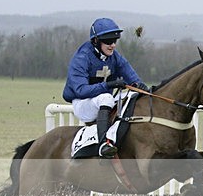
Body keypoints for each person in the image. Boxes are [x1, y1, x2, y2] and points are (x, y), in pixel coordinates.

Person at [63, 18, 147, 158]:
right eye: (108, 41)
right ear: (96, 41)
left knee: (133, 96)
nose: (113, 45)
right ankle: (104, 145)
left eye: (115, 41)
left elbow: (132, 78)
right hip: (83, 103)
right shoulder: (82, 57)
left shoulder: (115, 57)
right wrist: (108, 85)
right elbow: (80, 90)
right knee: (106, 97)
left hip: (103, 104)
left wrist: (139, 86)